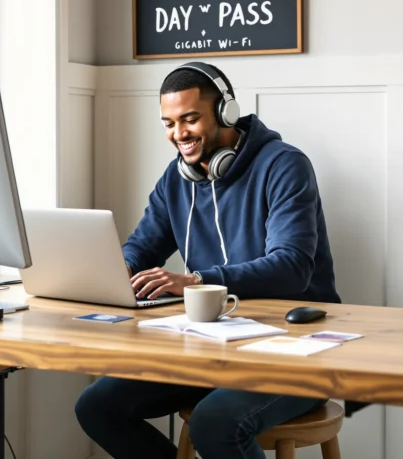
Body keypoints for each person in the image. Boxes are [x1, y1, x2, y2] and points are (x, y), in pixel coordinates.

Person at [74, 61, 341, 459]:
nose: (178, 134)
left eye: (190, 119)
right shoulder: (176, 179)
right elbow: (141, 247)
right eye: (168, 123)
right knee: (97, 406)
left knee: (215, 423)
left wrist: (196, 280)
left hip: (296, 349)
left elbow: (292, 265)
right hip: (210, 347)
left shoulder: (284, 165)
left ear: (224, 112)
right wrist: (118, 270)